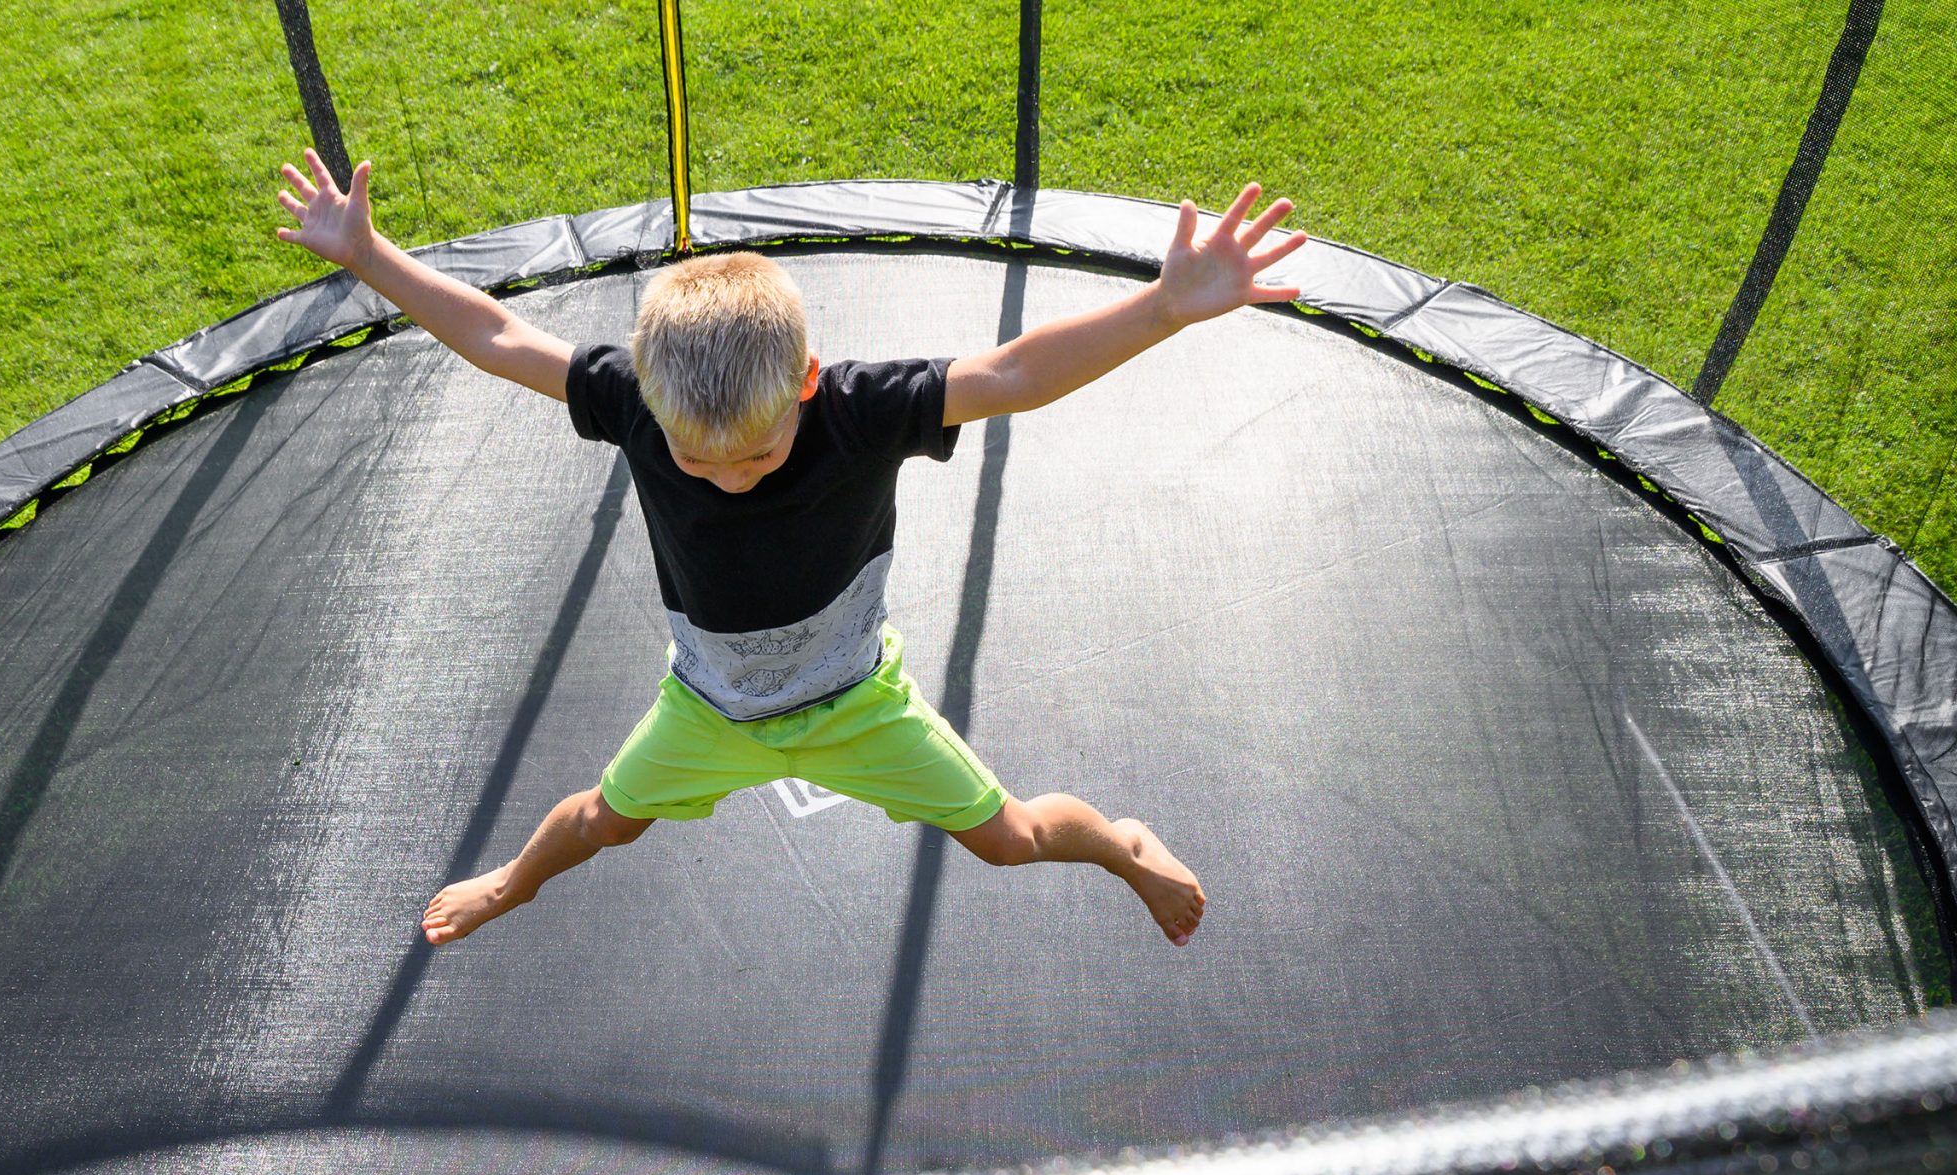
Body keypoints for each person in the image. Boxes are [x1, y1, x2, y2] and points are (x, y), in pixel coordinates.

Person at [274, 152, 1305, 947]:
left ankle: (1121, 845)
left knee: (1012, 840)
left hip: (857, 701)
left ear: (805, 380)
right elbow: (500, 341)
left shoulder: (858, 411)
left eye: (757, 452)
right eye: (696, 456)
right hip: (709, 706)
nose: (727, 474)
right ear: (648, 400)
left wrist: (1166, 305)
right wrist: (369, 256)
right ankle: (509, 880)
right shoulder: (635, 402)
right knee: (601, 820)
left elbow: (1013, 373)